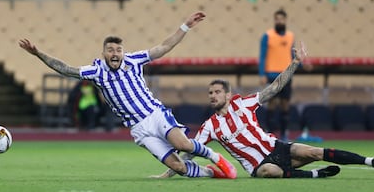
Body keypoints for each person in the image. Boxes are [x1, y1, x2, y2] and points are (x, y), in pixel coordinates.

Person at [18, 11, 237, 179]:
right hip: (139, 129)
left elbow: (164, 46)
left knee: (183, 145)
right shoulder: (96, 72)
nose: (115, 54)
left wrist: (185, 26)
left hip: (154, 114)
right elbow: (66, 69)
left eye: (118, 50)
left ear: (123, 52)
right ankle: (210, 173)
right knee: (178, 167)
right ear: (103, 53)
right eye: (110, 50)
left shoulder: (134, 60)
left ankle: (217, 158)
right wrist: (38, 54)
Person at [154, 41, 374, 179]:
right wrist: (168, 173)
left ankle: (371, 161)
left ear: (227, 94)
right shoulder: (209, 127)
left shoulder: (244, 103)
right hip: (258, 166)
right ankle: (315, 175)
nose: (212, 96)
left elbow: (275, 87)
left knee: (313, 152)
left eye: (216, 92)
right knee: (271, 171)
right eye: (210, 94)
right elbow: (188, 153)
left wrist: (295, 63)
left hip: (276, 148)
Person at [258, 9, 311, 140]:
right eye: (277, 19)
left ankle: (284, 135)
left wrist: (303, 65)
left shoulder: (290, 36)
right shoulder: (267, 36)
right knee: (271, 103)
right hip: (272, 75)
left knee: (285, 105)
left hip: (287, 75)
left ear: (285, 20)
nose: (279, 21)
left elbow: (292, 55)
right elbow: (262, 56)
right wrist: (262, 74)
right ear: (274, 20)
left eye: (281, 19)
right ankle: (269, 134)